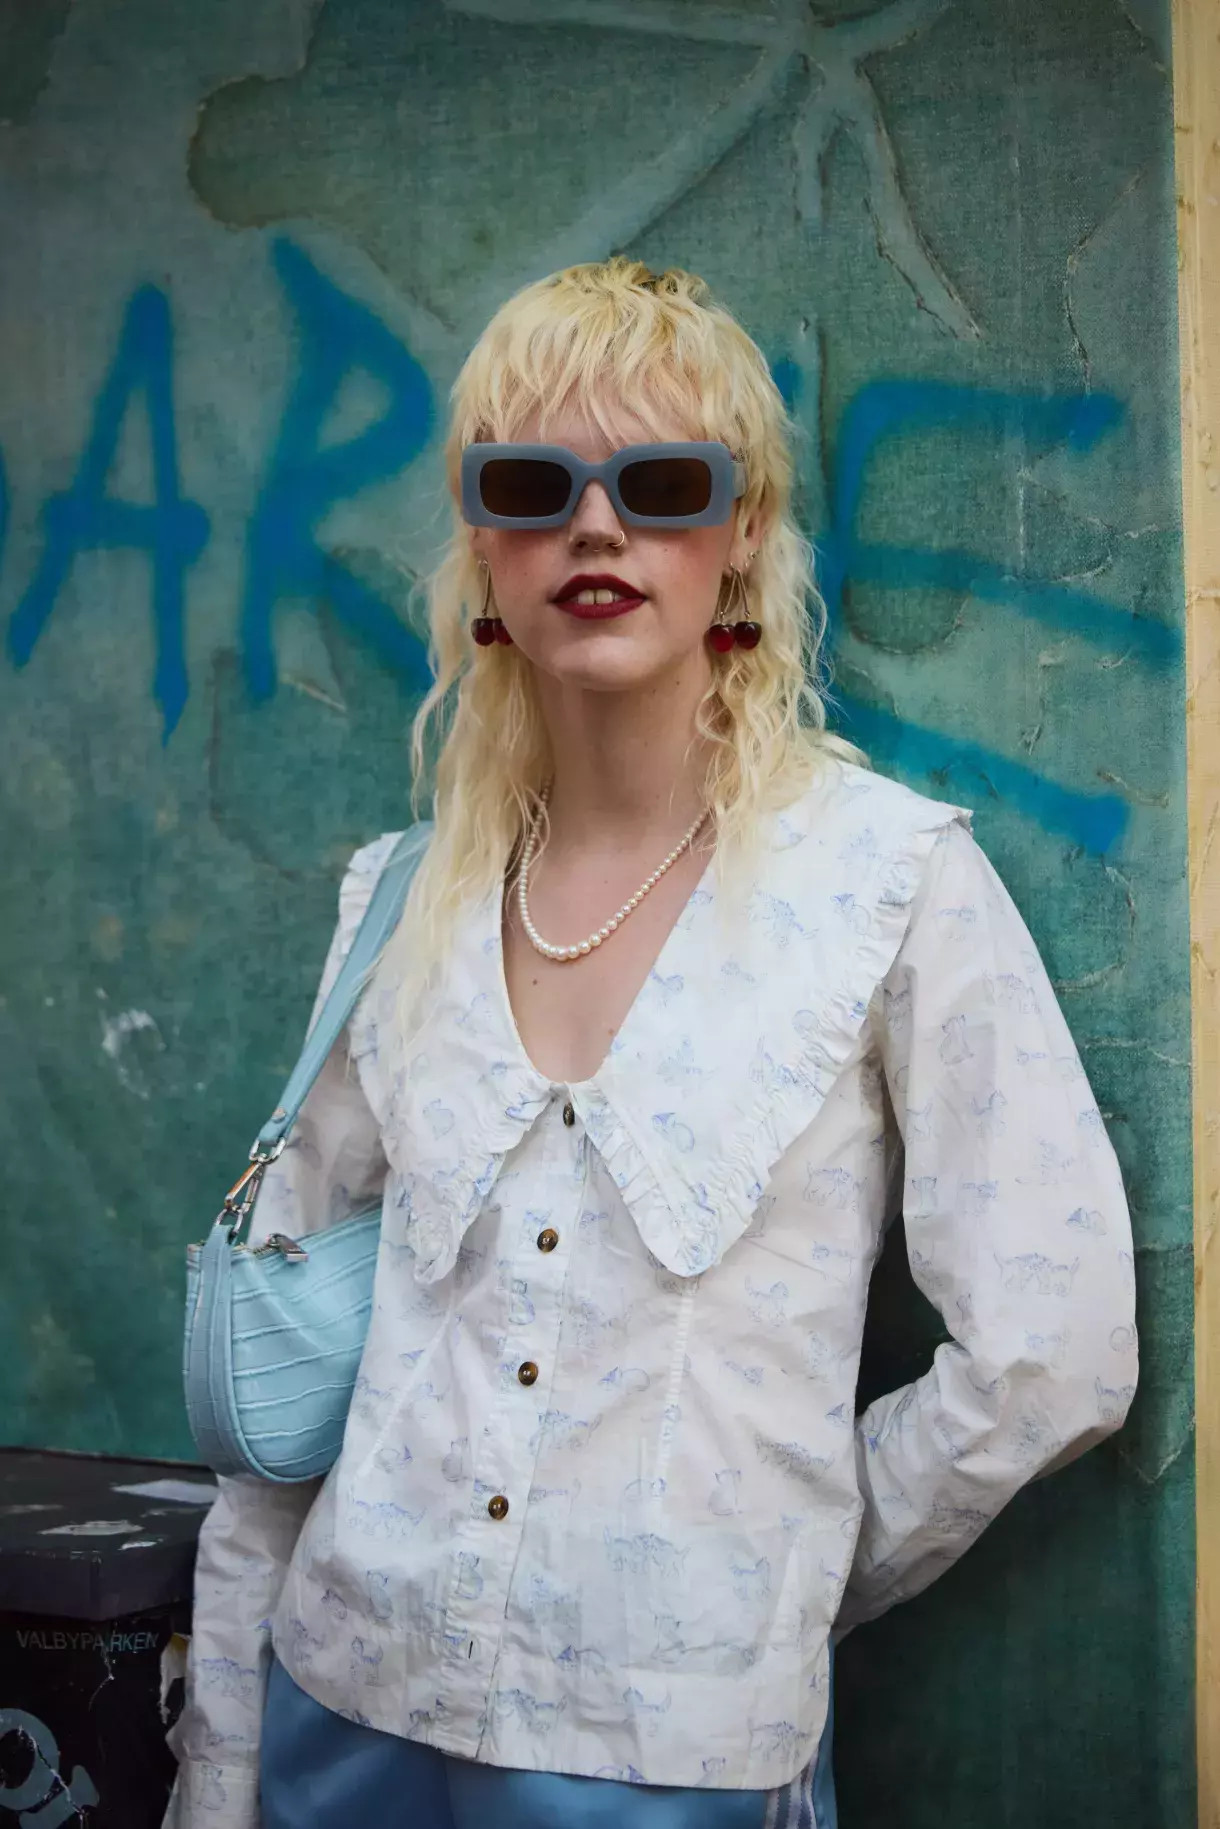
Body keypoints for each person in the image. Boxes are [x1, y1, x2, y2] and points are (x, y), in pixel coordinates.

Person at [165, 259, 1137, 1829]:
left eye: (663, 484)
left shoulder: (888, 884)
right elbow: (281, 1404)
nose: (596, 527)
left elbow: (1057, 1350)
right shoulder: (401, 900)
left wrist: (780, 1571)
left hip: (670, 1765)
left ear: (742, 529)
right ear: (483, 539)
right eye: (533, 484)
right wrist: (220, 1766)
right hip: (339, 1716)